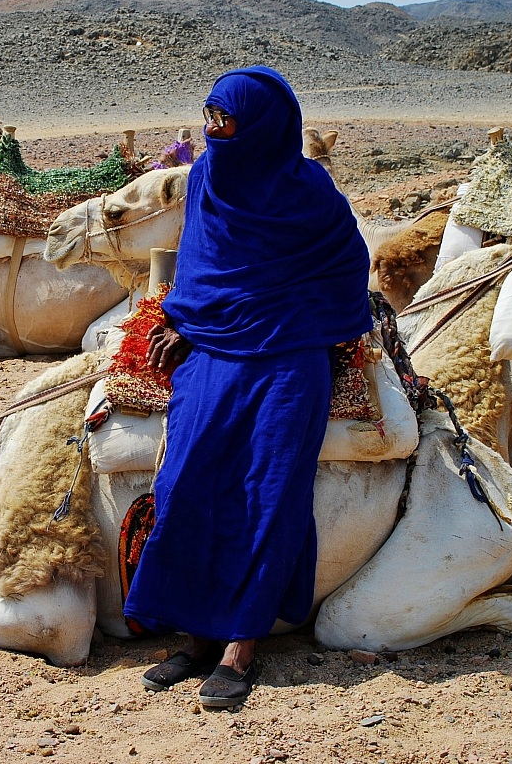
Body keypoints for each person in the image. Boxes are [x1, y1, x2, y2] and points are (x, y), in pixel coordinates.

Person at [122, 66, 373, 708]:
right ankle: (194, 634)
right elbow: (203, 263)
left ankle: (240, 642)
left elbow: (348, 264)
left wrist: (312, 322)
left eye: (226, 123)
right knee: (184, 476)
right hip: (215, 341)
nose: (214, 134)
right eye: (209, 120)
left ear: (263, 128)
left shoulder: (309, 190)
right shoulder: (207, 175)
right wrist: (183, 319)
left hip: (291, 347)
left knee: (271, 483)